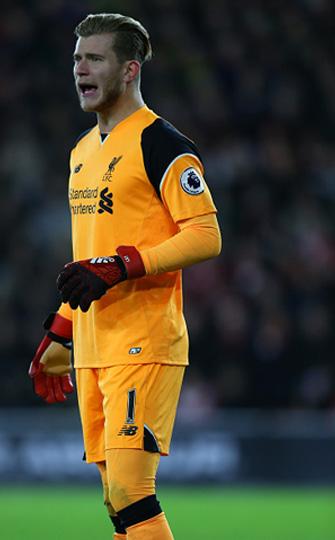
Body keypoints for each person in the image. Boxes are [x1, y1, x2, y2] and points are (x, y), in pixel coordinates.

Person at [28, 13, 221, 540]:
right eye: (76, 59)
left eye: (94, 59)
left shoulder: (161, 142)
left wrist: (123, 265)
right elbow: (86, 261)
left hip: (144, 340)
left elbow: (206, 236)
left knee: (131, 492)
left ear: (130, 70)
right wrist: (61, 331)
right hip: (94, 347)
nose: (79, 69)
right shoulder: (81, 153)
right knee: (116, 502)